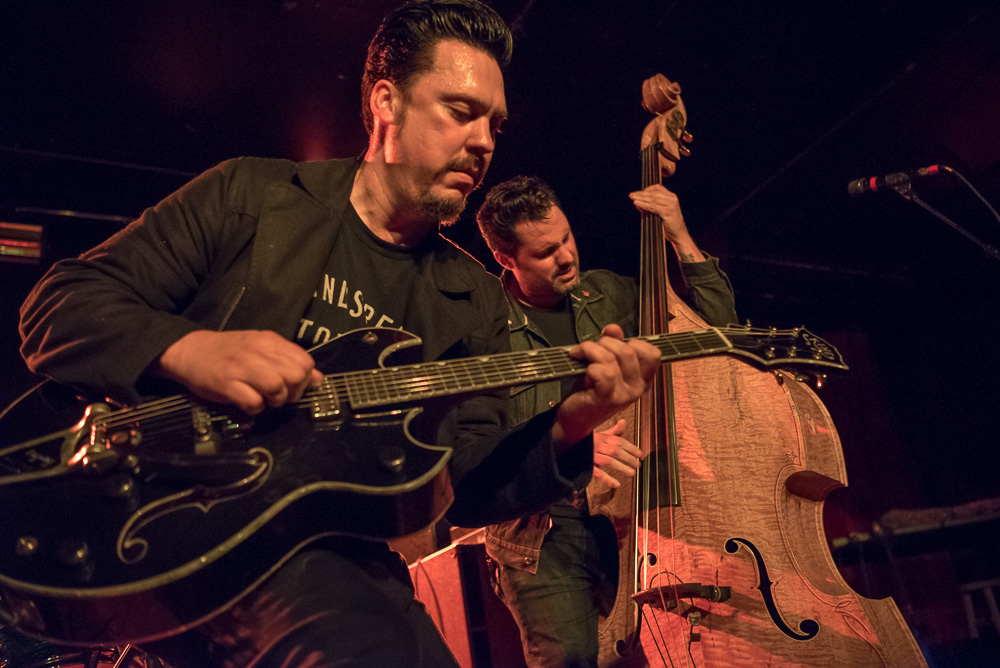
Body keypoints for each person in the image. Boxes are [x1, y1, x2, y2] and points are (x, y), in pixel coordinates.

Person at [16, 2, 661, 667]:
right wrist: (192, 350)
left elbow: (463, 484)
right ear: (386, 102)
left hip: (341, 558)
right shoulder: (253, 195)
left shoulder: (472, 302)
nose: (484, 143)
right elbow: (61, 305)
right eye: (460, 112)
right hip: (181, 512)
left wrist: (571, 423)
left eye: (493, 124)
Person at [475, 175, 738, 668]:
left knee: (682, 647)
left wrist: (681, 237)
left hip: (632, 509)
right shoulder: (483, 328)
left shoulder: (610, 293)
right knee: (572, 658)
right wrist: (571, 445)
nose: (566, 256)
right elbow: (479, 441)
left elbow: (718, 336)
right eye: (545, 252)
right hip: (543, 528)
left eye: (566, 238)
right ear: (506, 259)